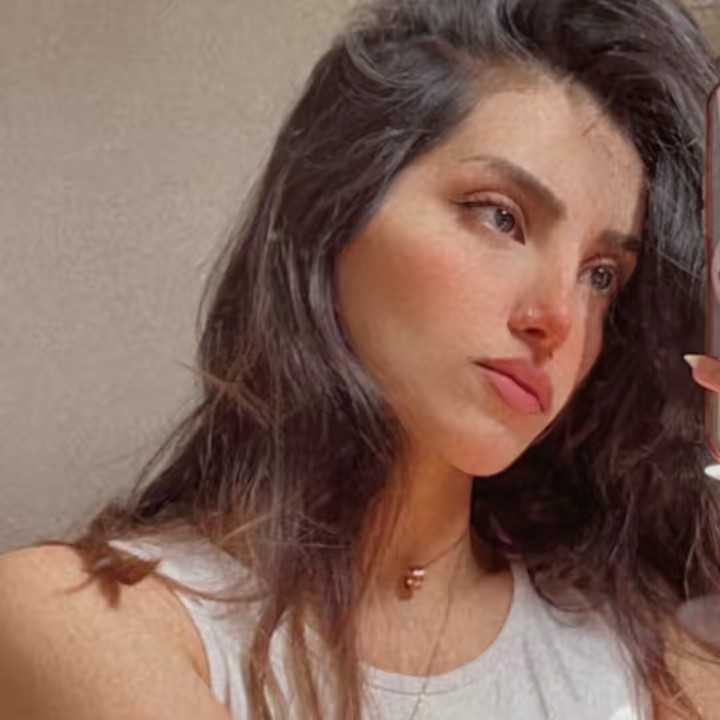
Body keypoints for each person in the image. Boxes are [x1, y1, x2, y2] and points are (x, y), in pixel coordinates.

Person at [1, 0, 720, 717]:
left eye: (602, 276)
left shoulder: (652, 653)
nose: (557, 318)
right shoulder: (80, 619)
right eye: (500, 216)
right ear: (335, 209)